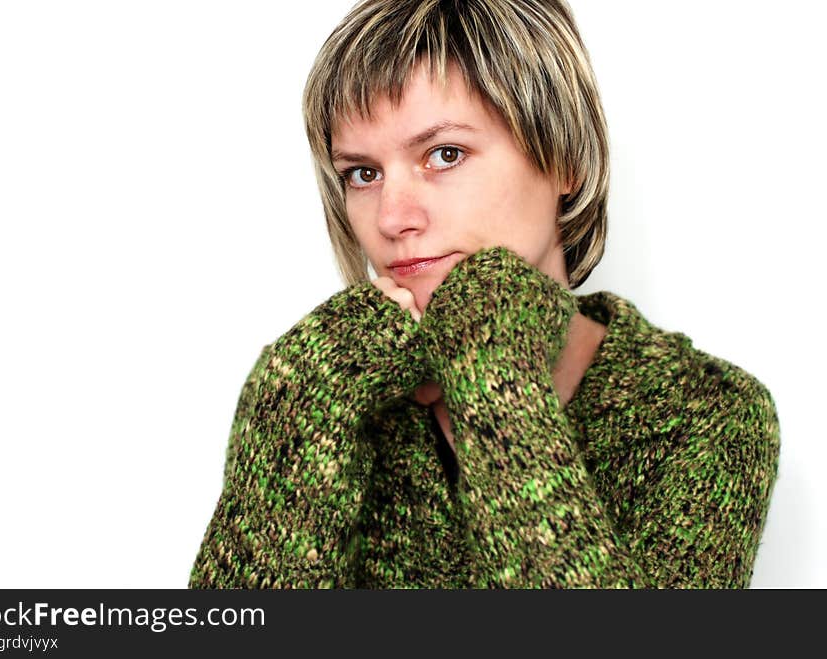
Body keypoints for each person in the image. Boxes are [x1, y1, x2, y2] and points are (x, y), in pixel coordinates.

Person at [188, 0, 780, 588]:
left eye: (444, 155)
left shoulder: (702, 413)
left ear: (564, 156)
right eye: (362, 173)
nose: (392, 218)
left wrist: (494, 370)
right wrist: (302, 401)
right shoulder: (320, 385)